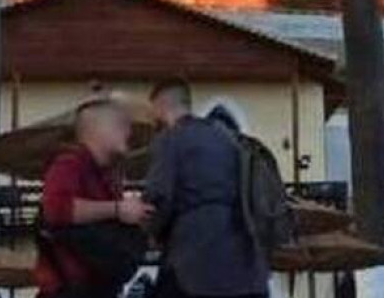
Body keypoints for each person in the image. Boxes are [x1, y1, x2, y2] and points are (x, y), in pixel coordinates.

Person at [144, 78, 270, 298]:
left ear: (161, 107)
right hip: (246, 260)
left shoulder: (171, 139)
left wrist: (148, 231)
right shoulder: (228, 137)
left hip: (195, 261)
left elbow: (159, 197)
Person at [36, 98, 154, 298]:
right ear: (99, 130)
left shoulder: (107, 175)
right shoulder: (69, 163)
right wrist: (118, 209)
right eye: (120, 125)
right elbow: (56, 209)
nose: (128, 132)